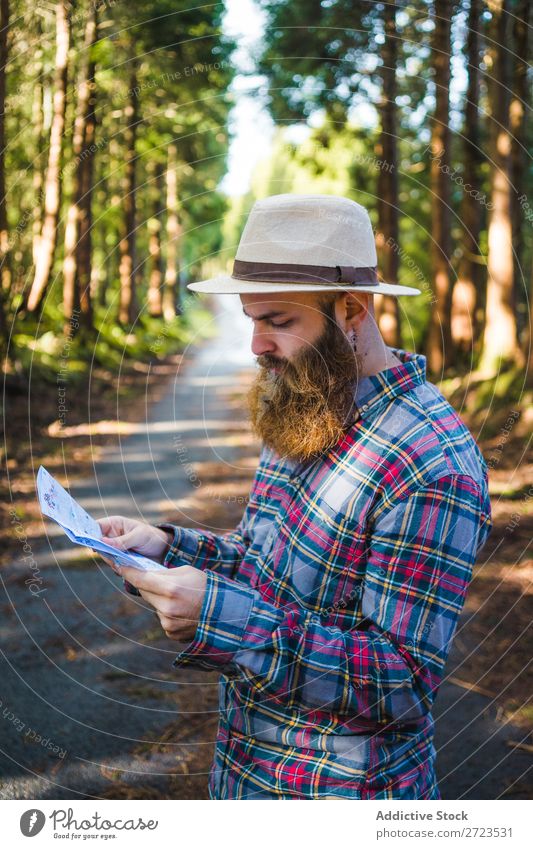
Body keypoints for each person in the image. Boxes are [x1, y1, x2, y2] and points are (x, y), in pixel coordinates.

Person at [97, 194, 492, 800]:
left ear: (352, 310)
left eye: (279, 322)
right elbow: (266, 566)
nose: (257, 346)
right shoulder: (306, 398)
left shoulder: (430, 463)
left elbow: (401, 685)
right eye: (252, 319)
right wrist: (171, 550)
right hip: (244, 777)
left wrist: (221, 618)